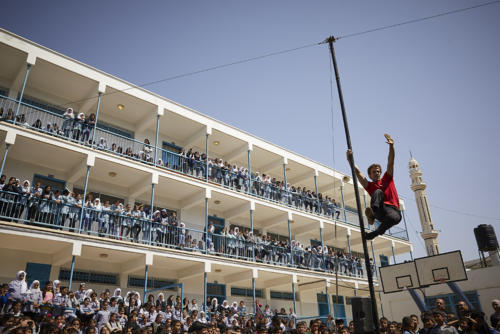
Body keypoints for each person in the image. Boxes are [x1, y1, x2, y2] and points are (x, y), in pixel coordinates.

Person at [346, 133, 401, 240]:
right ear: (370, 175)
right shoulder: (369, 185)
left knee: (393, 218)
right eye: (374, 172)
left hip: (393, 211)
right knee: (378, 192)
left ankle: (373, 233)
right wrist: (349, 160)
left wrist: (391, 147)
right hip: (380, 209)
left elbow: (390, 162)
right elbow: (357, 172)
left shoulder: (387, 178)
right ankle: (374, 212)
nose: (377, 173)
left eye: (378, 171)